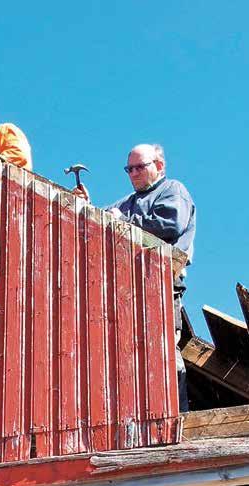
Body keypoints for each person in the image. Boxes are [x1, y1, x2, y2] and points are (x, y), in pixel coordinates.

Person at [75, 144, 195, 411]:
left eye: (140, 167)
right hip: (126, 290)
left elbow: (171, 225)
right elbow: (101, 221)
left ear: (159, 166)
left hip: (161, 285)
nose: (134, 173)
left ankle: (178, 417)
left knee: (163, 350)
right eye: (130, 168)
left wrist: (124, 220)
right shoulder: (127, 202)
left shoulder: (173, 190)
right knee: (128, 356)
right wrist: (86, 207)